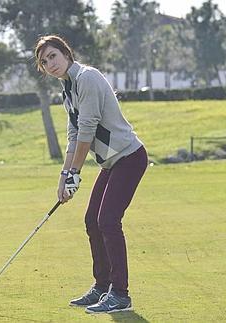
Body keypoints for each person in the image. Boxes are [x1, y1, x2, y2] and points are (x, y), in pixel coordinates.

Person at [34, 35, 148, 314]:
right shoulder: (68, 89)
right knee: (92, 220)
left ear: (66, 53)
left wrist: (75, 172)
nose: (50, 64)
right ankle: (102, 286)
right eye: (44, 61)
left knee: (108, 220)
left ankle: (120, 294)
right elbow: (74, 136)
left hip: (129, 158)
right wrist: (64, 175)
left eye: (52, 56)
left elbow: (87, 130)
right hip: (111, 163)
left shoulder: (86, 78)